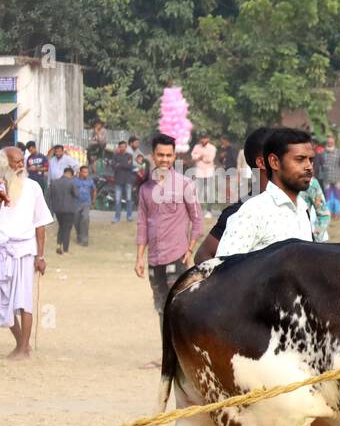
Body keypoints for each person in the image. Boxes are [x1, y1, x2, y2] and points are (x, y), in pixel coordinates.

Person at [215, 128, 317, 258]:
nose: (309, 166)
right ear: (274, 162)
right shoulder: (253, 212)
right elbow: (224, 271)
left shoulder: (302, 208)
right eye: (300, 159)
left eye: (311, 160)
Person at [135, 134, 202, 320]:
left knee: (178, 307)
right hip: (154, 259)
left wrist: (190, 249)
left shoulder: (185, 184)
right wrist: (139, 257)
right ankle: (166, 349)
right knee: (160, 308)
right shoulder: (145, 189)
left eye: (168, 155)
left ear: (174, 157)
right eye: (160, 155)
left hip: (177, 257)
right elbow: (142, 224)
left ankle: (178, 349)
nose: (164, 159)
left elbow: (197, 219)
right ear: (153, 156)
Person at [0, 146, 53, 359]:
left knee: (23, 301)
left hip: (25, 251)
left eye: (22, 160)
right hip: (3, 249)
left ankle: (23, 348)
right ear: (5, 164)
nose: (21, 165)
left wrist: (40, 256)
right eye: (15, 161)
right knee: (3, 303)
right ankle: (22, 344)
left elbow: (40, 224)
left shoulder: (33, 188)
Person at [194, 127, 273, 264]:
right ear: (263, 162)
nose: (307, 166)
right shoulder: (239, 212)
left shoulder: (300, 207)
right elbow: (203, 256)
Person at [48, 165, 80, 255]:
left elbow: (49, 196)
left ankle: (58, 245)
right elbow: (76, 194)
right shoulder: (72, 182)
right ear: (70, 174)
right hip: (69, 209)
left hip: (57, 209)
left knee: (61, 227)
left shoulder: (54, 182)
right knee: (67, 229)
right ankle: (65, 249)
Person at [110, 140, 137, 222]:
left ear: (126, 147)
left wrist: (119, 164)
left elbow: (129, 166)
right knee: (118, 200)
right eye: (121, 146)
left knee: (129, 199)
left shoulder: (129, 156)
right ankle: (117, 217)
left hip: (128, 180)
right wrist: (123, 164)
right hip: (118, 180)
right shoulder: (115, 156)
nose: (122, 148)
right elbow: (114, 167)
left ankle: (129, 216)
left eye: (124, 147)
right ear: (119, 147)